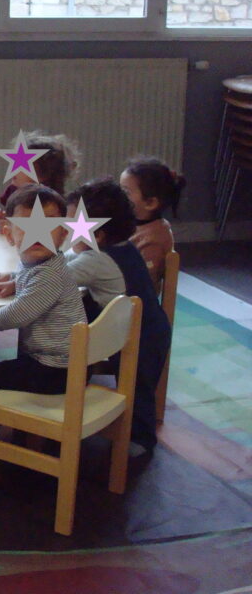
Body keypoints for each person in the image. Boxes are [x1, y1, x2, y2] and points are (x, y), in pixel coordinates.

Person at [0, 183, 85, 467]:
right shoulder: (44, 264)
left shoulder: (48, 275)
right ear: (10, 234)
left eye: (49, 225)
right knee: (2, 373)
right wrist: (13, 279)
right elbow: (29, 278)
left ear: (63, 234)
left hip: (57, 370)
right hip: (62, 363)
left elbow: (18, 315)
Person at [65, 178, 171, 456]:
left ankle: (142, 441)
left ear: (98, 236)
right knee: (138, 386)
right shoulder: (121, 247)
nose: (67, 232)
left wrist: (17, 279)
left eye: (73, 226)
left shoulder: (96, 260)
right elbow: (64, 262)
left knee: (139, 389)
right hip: (148, 325)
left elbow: (53, 279)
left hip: (144, 335)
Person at [0, 131, 81, 237]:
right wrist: (5, 221)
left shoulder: (51, 206)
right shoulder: (14, 192)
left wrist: (13, 228)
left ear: (42, 176)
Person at [120, 157, 186, 285]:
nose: (117, 195)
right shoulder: (129, 220)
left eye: (125, 192)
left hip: (133, 295)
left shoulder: (153, 239)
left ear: (150, 203)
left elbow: (143, 281)